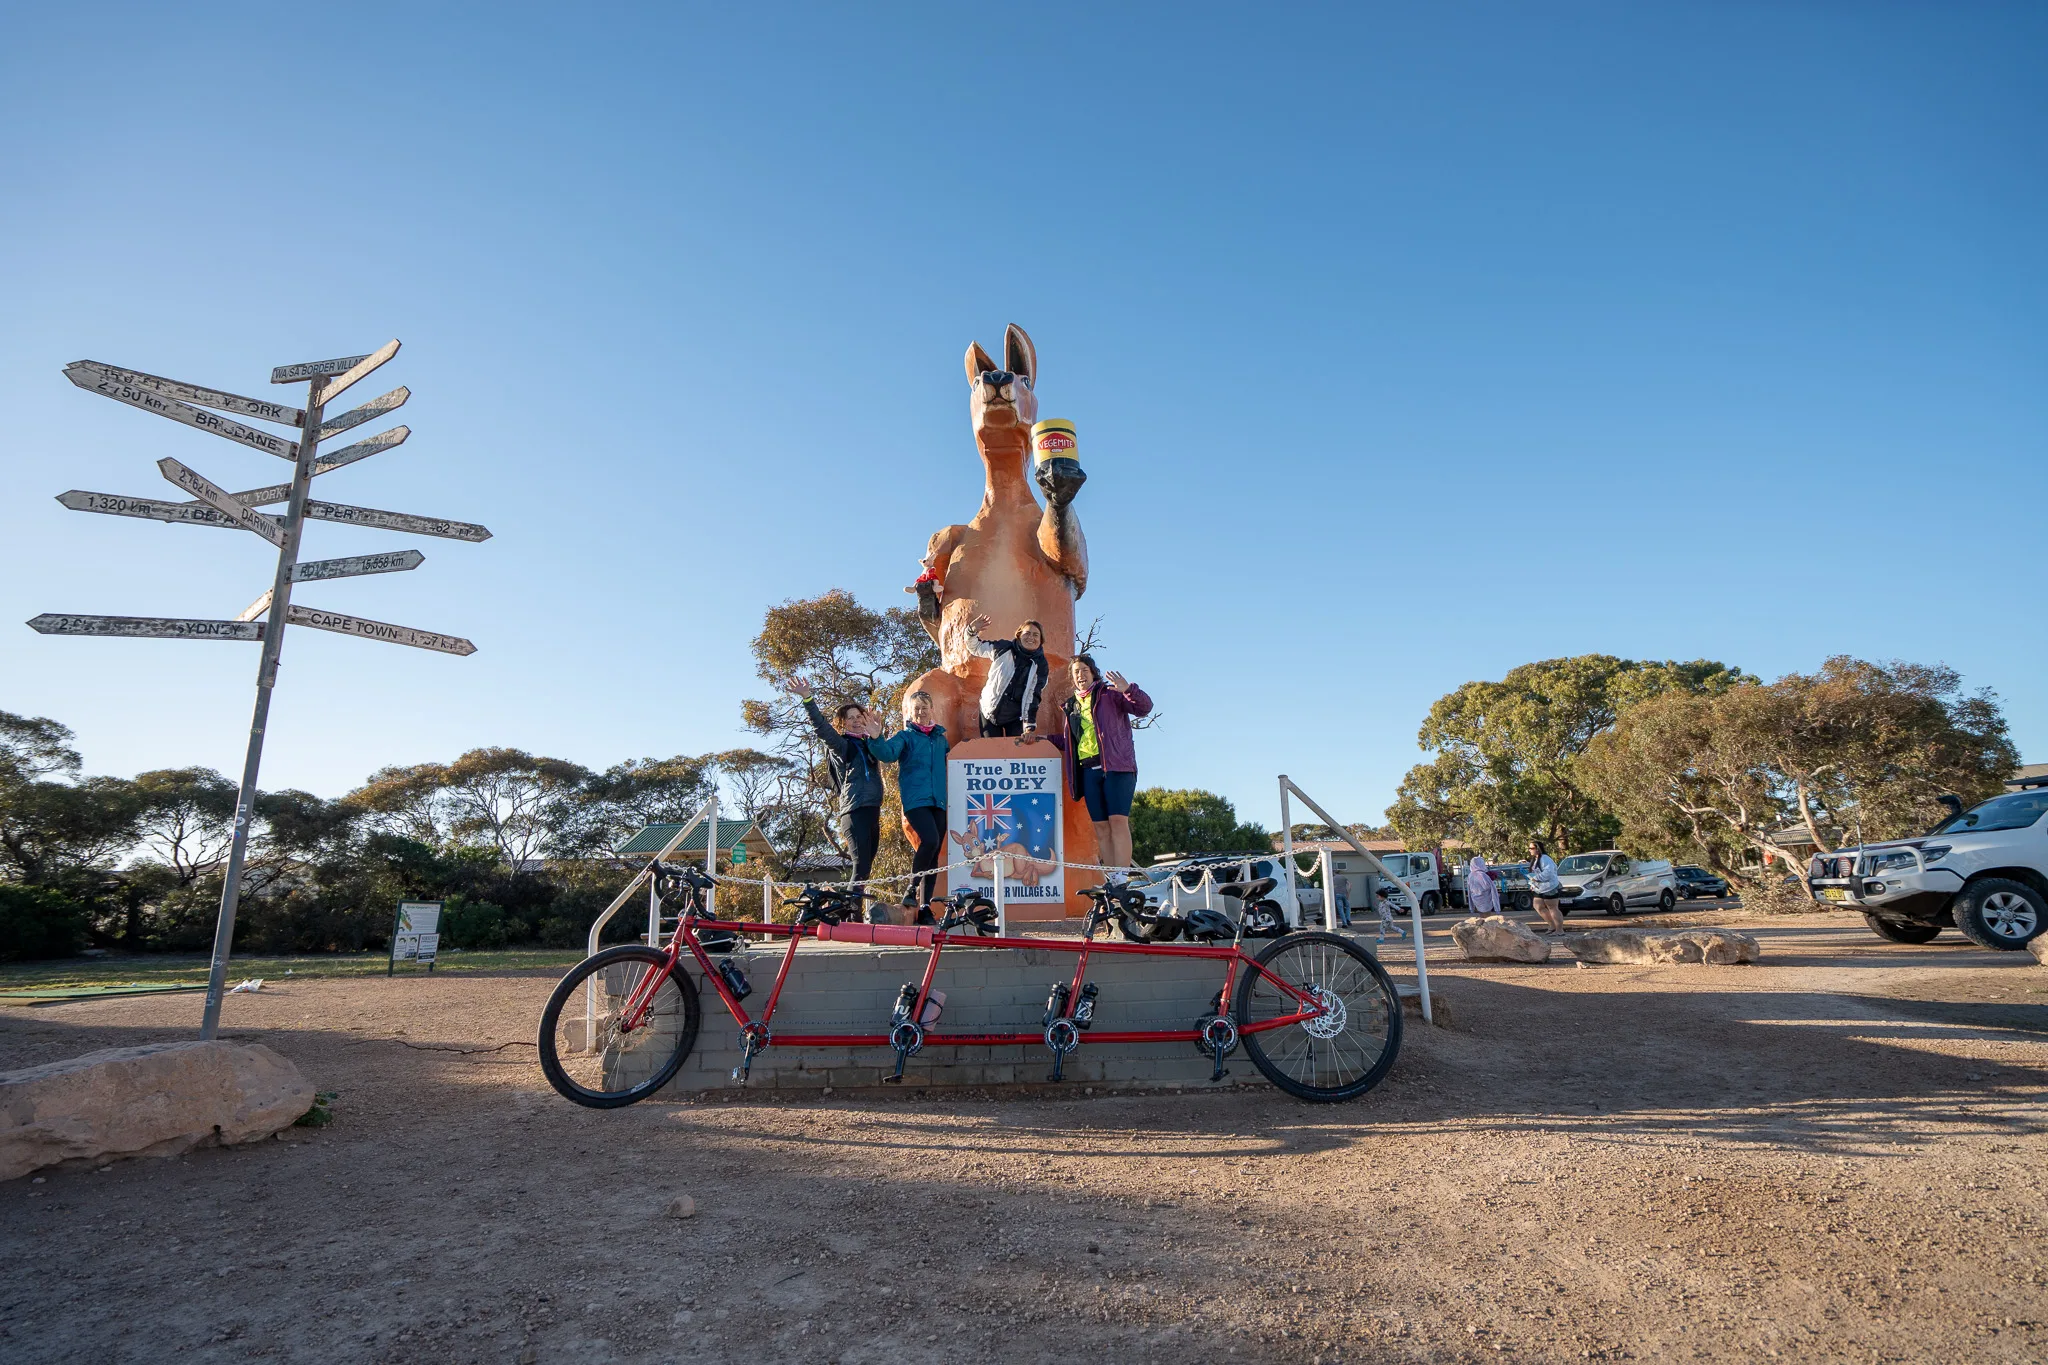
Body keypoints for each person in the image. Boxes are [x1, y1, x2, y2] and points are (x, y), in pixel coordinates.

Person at [1019, 654, 1152, 881]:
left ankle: (1122, 875)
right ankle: (1113, 877)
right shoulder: (1071, 705)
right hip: (1088, 770)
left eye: (1084, 670)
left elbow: (1144, 708)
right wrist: (1041, 738)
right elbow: (1068, 740)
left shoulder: (1111, 694)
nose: (1080, 675)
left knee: (1118, 821)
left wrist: (1128, 689)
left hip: (1116, 767)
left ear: (1093, 673)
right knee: (1100, 827)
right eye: (1076, 672)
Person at [864, 690, 950, 925]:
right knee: (929, 841)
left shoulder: (942, 739)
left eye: (924, 708)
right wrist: (876, 737)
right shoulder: (906, 737)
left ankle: (925, 908)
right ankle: (911, 890)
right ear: (910, 714)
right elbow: (887, 754)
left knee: (933, 855)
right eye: (916, 709)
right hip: (915, 801)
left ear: (932, 710)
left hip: (938, 802)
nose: (921, 713)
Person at [966, 614, 1049, 738]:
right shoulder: (1003, 648)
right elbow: (976, 647)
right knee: (991, 752)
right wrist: (971, 630)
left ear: (1041, 640)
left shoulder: (1040, 665)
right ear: (1019, 635)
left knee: (1015, 753)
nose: (1031, 637)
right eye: (1027, 633)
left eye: (1036, 634)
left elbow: (1033, 697)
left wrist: (1029, 727)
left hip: (1016, 717)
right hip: (989, 711)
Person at [1526, 839, 1564, 932]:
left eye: (1531, 848)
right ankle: (1552, 926)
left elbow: (1548, 872)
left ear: (1538, 849)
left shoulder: (1545, 859)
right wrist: (1533, 884)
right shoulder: (1535, 859)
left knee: (1552, 908)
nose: (1529, 850)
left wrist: (1536, 878)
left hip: (1550, 887)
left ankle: (1559, 930)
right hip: (1540, 888)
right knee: (1538, 906)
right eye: (1529, 848)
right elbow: (1535, 873)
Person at [1465, 852, 1501, 917]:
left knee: (1481, 915)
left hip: (1476, 899)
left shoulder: (1470, 876)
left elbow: (1469, 888)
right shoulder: (1482, 875)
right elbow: (1488, 886)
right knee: (1487, 916)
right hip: (1485, 899)